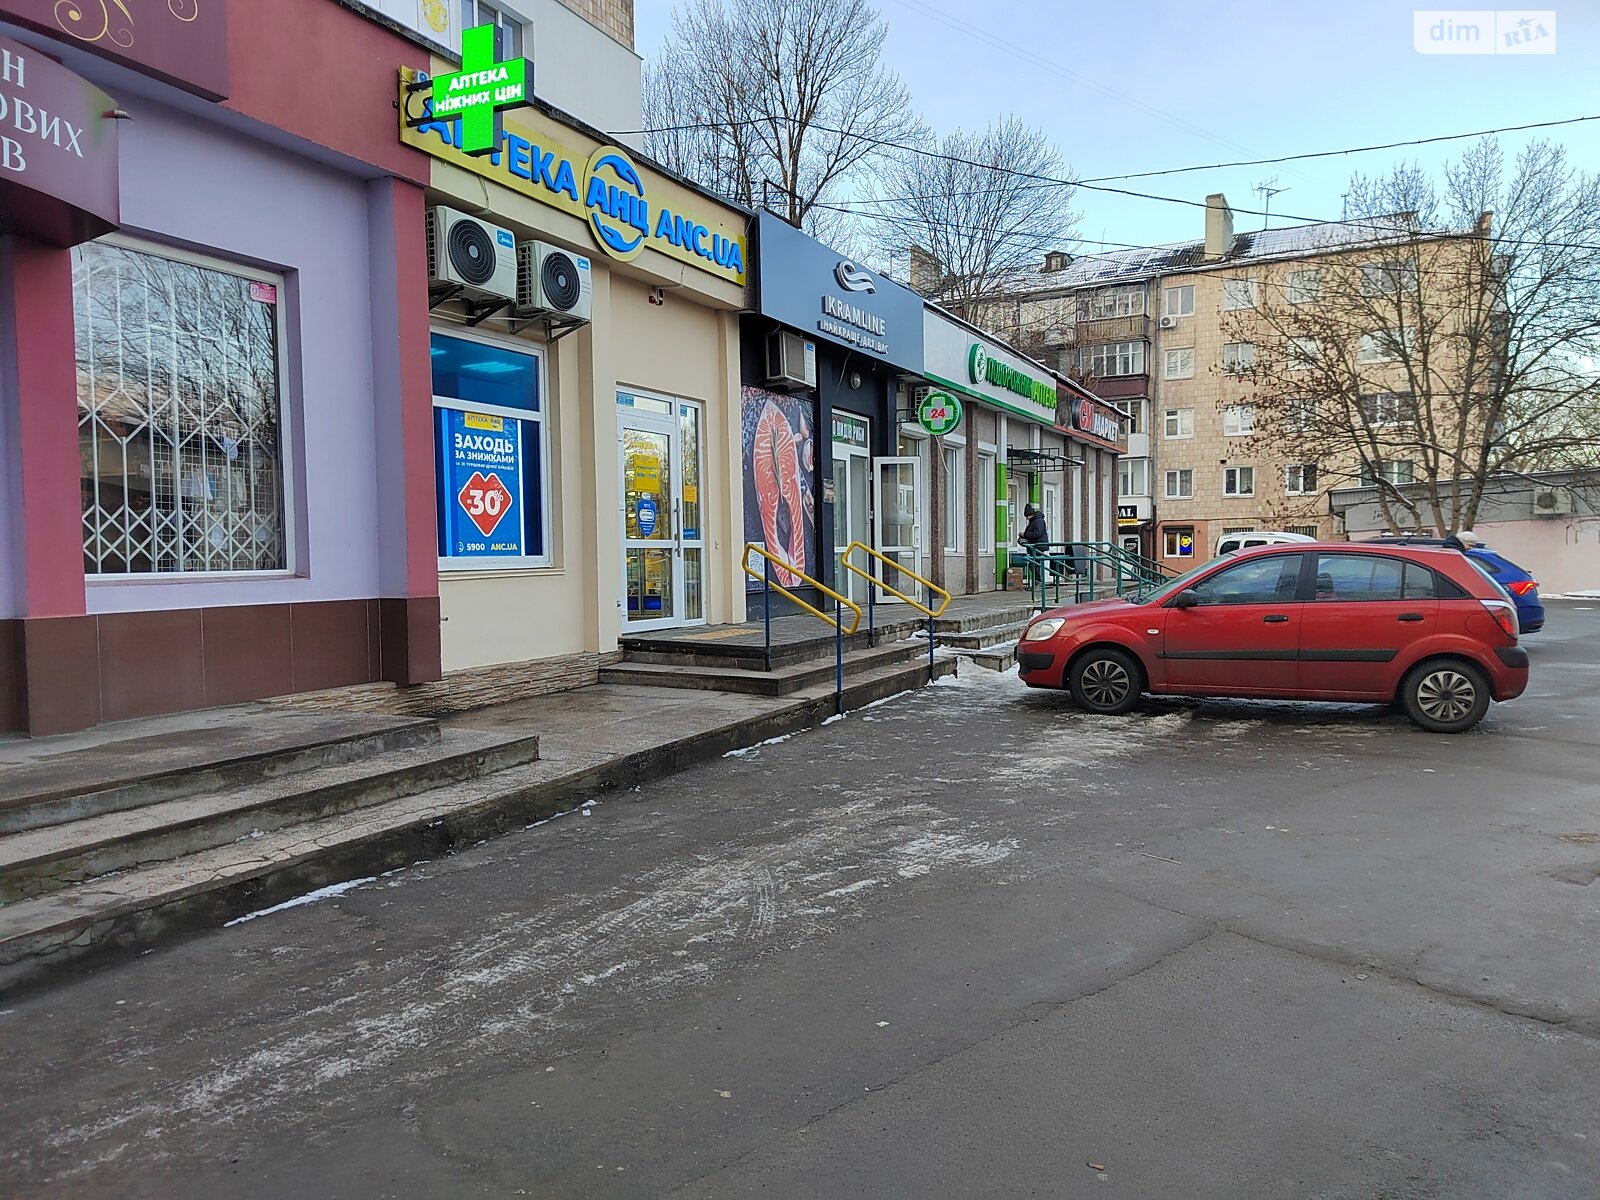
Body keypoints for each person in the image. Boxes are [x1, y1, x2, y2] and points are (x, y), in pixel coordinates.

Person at [1018, 503, 1050, 585]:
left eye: (1027, 516)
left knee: (1034, 563)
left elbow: (1037, 534)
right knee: (1035, 563)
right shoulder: (1037, 520)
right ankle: (1038, 580)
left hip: (1038, 546)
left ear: (1030, 515)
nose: (1027, 518)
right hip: (1037, 546)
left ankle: (1038, 580)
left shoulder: (1038, 521)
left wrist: (1024, 534)